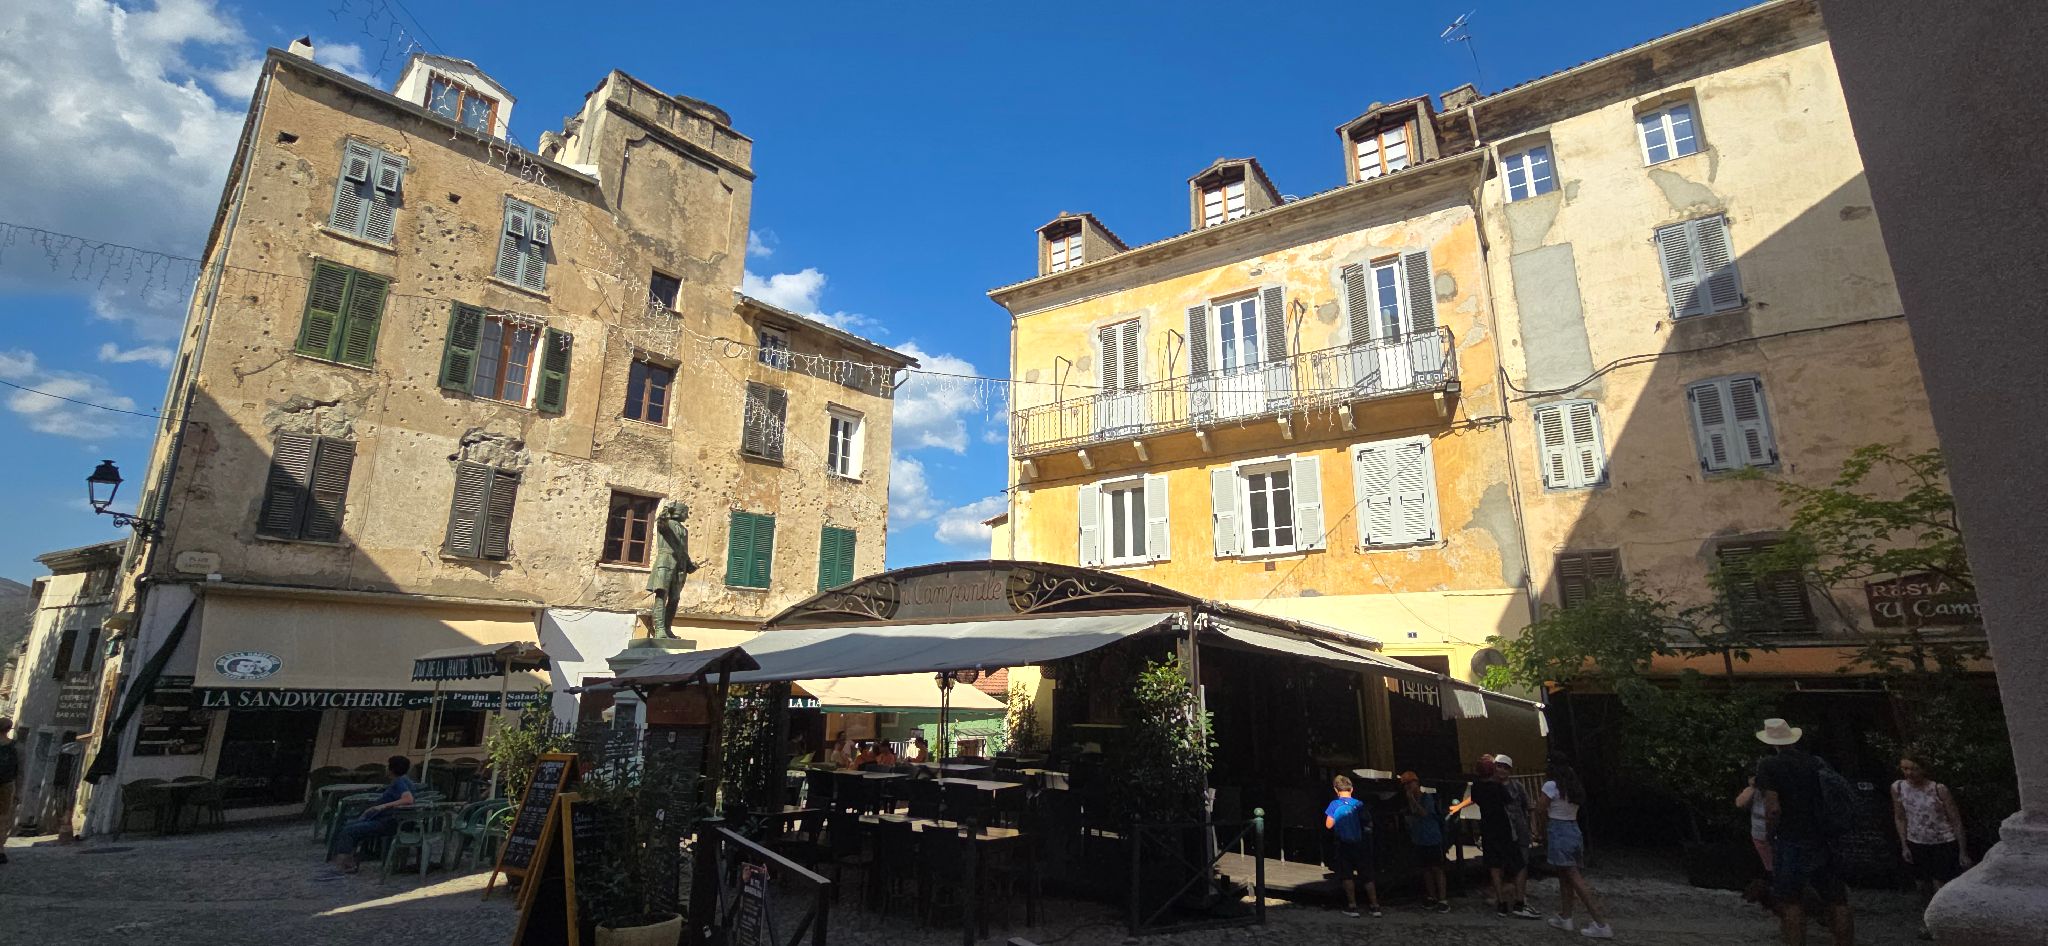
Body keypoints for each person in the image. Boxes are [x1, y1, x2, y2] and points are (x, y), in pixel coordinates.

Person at [1754, 718, 1854, 946]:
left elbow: (1773, 808)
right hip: (1822, 837)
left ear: (1771, 742)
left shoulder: (1769, 765)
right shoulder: (1815, 762)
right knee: (1837, 899)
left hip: (1791, 838)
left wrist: (1769, 834)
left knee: (1791, 901)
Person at [1892, 755, 1970, 938]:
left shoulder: (1938, 789)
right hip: (1916, 841)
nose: (1909, 773)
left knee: (1939, 884)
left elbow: (1955, 820)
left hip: (1942, 841)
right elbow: (1900, 816)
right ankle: (1929, 922)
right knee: (1921, 885)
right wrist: (1904, 844)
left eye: (1914, 769)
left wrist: (1962, 850)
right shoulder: (1898, 788)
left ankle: (1942, 924)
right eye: (1905, 769)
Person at [1537, 754, 1613, 938]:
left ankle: (1601, 923)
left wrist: (1541, 830)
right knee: (1565, 876)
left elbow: (1540, 808)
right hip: (1573, 828)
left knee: (1573, 876)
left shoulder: (1551, 786)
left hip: (1558, 830)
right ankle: (1566, 916)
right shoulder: (1573, 786)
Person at [1464, 754, 1541, 919]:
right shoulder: (1498, 788)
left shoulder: (1476, 787)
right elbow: (1509, 801)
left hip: (1488, 830)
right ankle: (1520, 902)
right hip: (1505, 831)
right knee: (1520, 865)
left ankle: (1501, 903)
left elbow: (1476, 800)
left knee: (1495, 867)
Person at [322, 756, 415, 876]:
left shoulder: (399, 782)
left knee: (348, 830)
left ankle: (343, 864)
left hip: (389, 822)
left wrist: (382, 806)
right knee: (351, 826)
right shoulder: (405, 780)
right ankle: (349, 860)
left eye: (387, 765)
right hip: (392, 820)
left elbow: (408, 799)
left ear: (391, 769)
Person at [1324, 775, 1382, 918]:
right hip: (1361, 844)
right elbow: (1368, 823)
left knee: (1347, 875)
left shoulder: (1334, 804)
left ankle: (1352, 906)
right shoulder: (1359, 804)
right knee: (1367, 875)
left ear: (1336, 790)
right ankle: (1375, 906)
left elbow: (1328, 825)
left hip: (1343, 844)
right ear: (1352, 789)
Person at [1400, 772, 1450, 913]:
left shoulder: (1427, 798)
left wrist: (1412, 800)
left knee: (1437, 869)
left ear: (1417, 783)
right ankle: (1431, 896)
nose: (1408, 787)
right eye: (1405, 785)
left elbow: (1424, 813)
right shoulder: (1410, 800)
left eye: (1410, 783)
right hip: (1419, 838)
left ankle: (1443, 899)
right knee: (1426, 869)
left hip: (1432, 838)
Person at [1736, 771, 1774, 876]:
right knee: (1769, 867)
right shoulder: (1752, 791)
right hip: (1759, 835)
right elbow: (1740, 803)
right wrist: (1753, 787)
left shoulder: (1774, 790)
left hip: (1776, 834)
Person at [0, 717, 18, 865]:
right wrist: (19, 791)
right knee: (3, 817)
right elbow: (20, 771)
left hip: (7, 784)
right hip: (7, 785)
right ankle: (0, 849)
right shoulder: (15, 746)